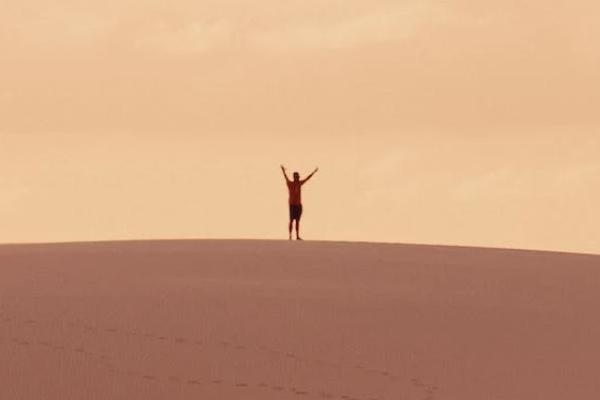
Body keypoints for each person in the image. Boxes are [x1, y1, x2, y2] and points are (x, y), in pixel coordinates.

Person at [280, 165, 318, 240]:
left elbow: (307, 179)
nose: (297, 178)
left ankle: (297, 235)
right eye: (296, 177)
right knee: (291, 220)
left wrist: (313, 172)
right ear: (294, 177)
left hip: (298, 205)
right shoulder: (290, 184)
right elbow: (286, 177)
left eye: (298, 177)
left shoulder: (299, 184)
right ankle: (290, 236)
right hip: (292, 205)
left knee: (297, 221)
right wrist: (283, 171)